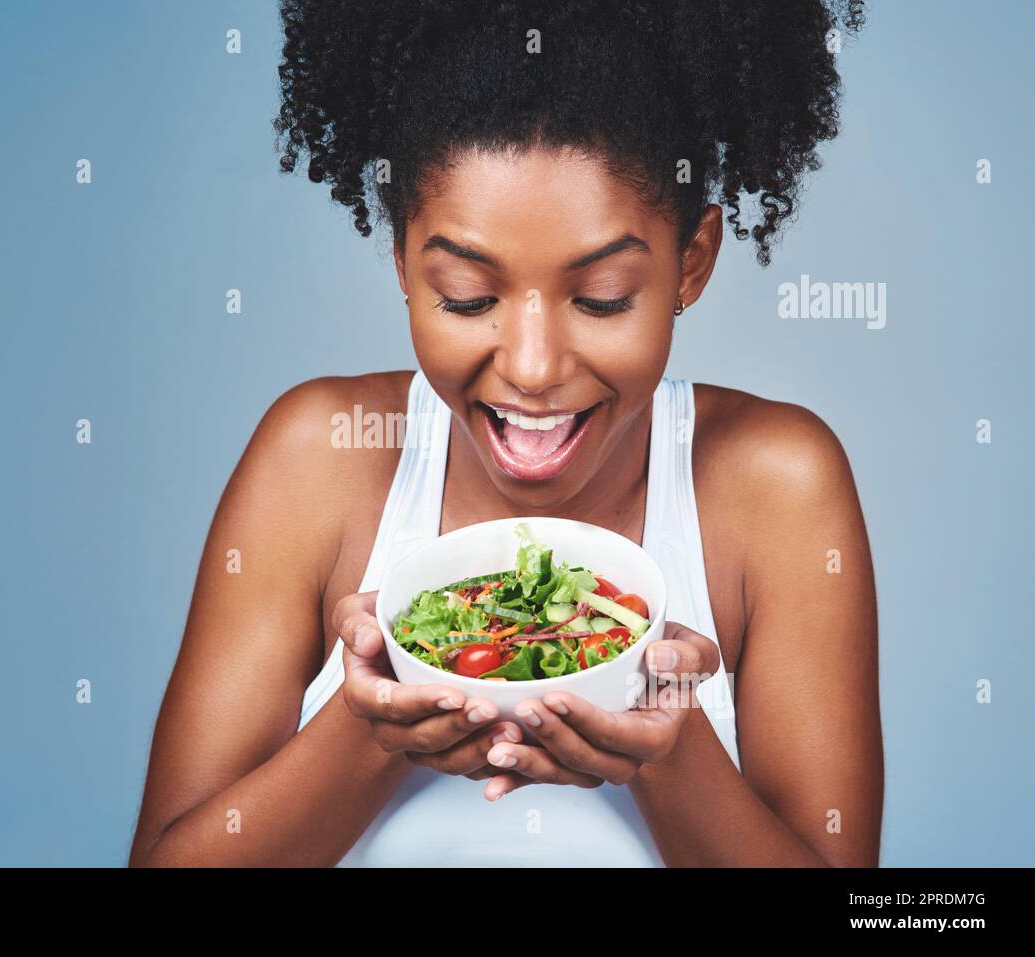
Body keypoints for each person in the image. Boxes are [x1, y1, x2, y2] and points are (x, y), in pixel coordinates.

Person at [130, 0, 882, 867]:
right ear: (404, 262)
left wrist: (668, 752)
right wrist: (371, 729)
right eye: (466, 295)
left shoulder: (778, 485)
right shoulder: (321, 455)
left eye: (601, 298)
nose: (530, 367)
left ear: (692, 262)